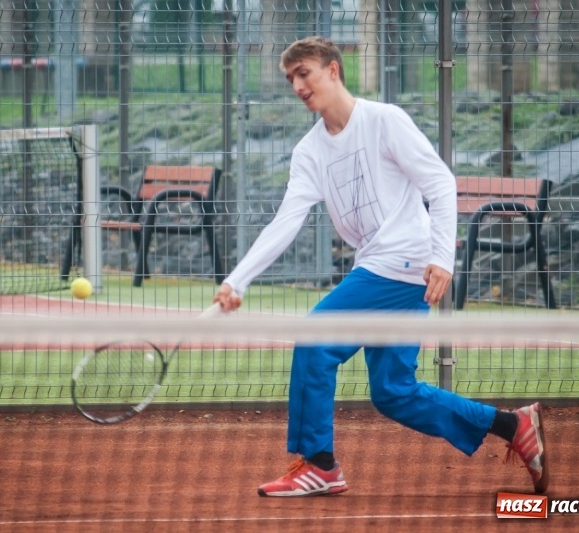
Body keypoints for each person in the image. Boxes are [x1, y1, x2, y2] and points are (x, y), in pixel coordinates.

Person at [213, 36, 548, 497]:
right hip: (384, 266)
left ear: (333, 70)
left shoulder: (384, 121)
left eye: (304, 73)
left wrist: (441, 258)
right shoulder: (309, 153)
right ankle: (514, 426)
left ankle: (320, 464)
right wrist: (237, 280)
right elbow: (284, 222)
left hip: (403, 261)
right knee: (394, 392)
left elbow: (440, 183)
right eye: (290, 78)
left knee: (315, 339)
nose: (297, 85)